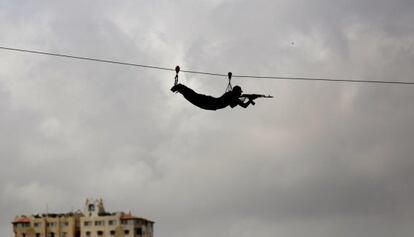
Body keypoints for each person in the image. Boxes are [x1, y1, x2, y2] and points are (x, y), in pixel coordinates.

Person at [171, 83, 254, 110]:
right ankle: (180, 87)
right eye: (239, 93)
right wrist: (250, 99)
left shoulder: (232, 96)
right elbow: (243, 105)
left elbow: (233, 105)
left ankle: (180, 88)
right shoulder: (231, 95)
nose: (240, 94)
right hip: (211, 103)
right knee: (194, 97)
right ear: (237, 92)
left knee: (193, 98)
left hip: (211, 104)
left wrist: (249, 99)